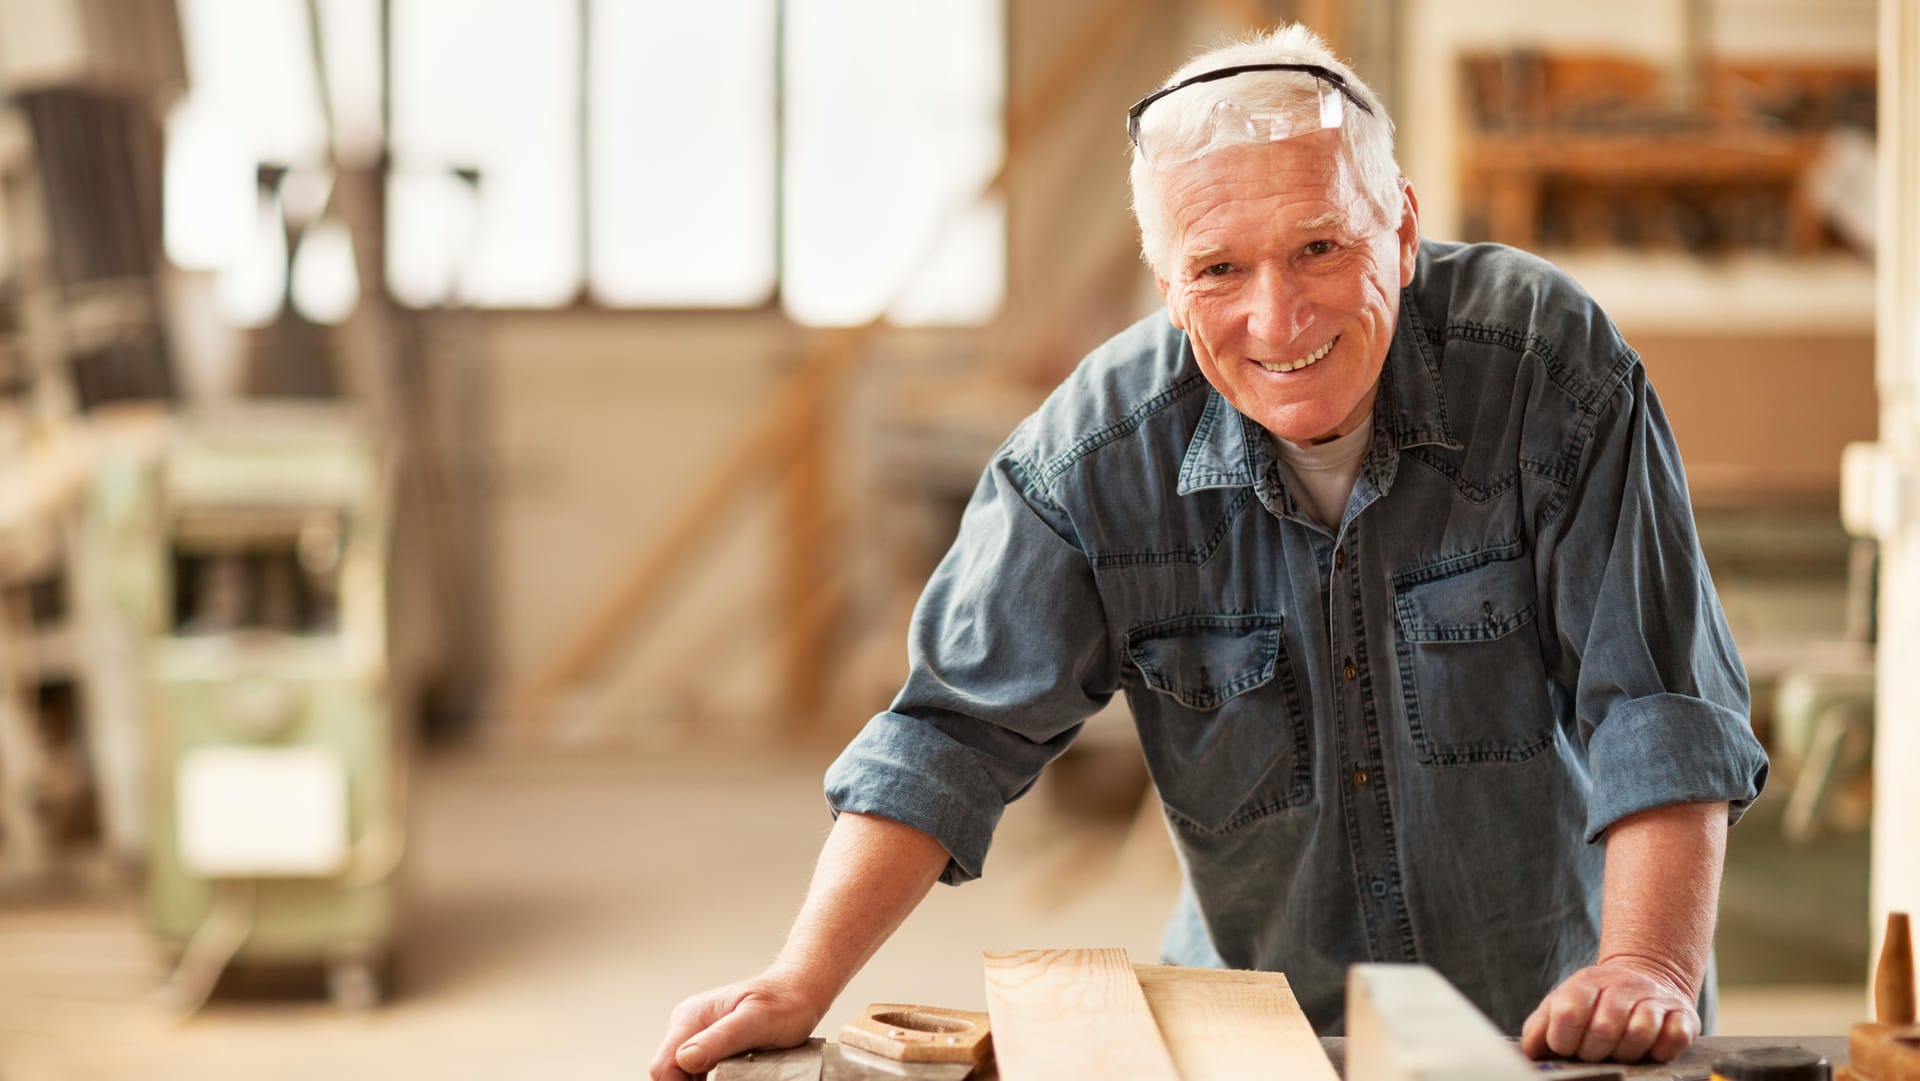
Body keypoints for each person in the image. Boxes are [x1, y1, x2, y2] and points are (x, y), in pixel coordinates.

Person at [649, 24, 1768, 1080]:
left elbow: (1657, 701)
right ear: (1168, 282)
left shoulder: (1543, 368)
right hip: (1260, 1028)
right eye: (1220, 269)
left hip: (1557, 1014)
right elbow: (950, 732)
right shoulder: (1091, 460)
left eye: (1320, 246)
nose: (1278, 319)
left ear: (1404, 229)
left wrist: (1648, 966)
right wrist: (801, 977)